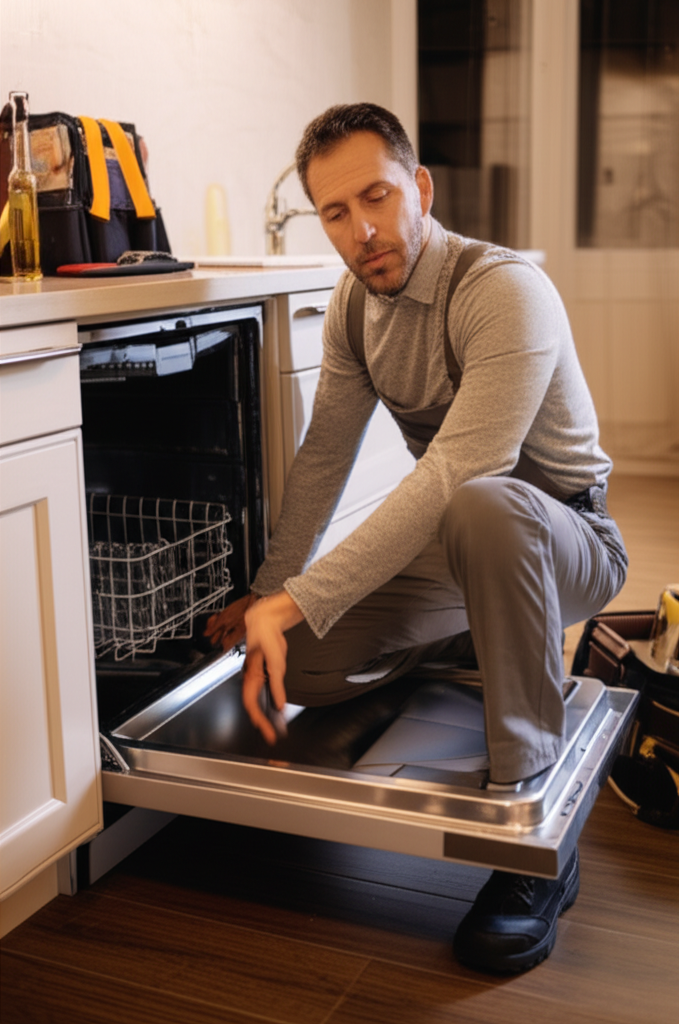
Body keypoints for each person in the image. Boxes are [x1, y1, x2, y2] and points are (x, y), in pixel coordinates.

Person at [205, 103, 628, 973]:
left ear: (418, 188)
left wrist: (298, 593)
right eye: (335, 212)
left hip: (568, 537)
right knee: (308, 668)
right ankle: (485, 646)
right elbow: (323, 454)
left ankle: (531, 826)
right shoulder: (354, 307)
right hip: (463, 539)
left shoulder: (504, 289)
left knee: (480, 500)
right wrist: (272, 586)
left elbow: (457, 472)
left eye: (376, 196)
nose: (361, 230)